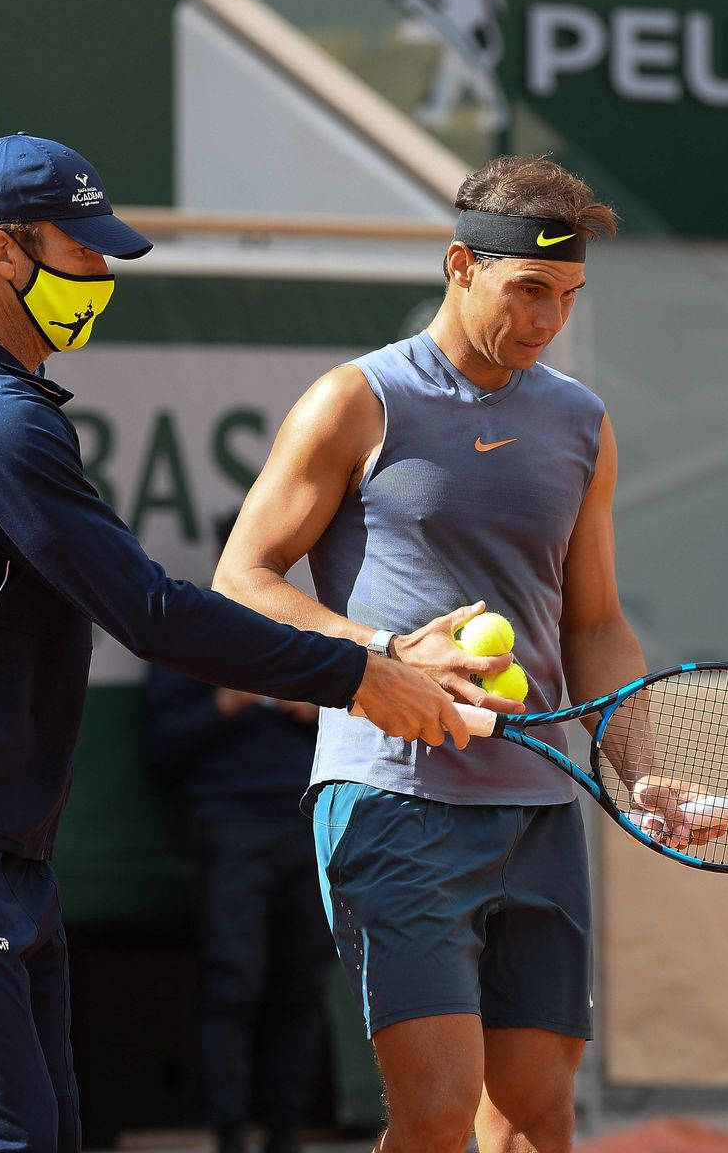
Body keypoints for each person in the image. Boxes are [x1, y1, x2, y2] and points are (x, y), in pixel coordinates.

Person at [0, 133, 467, 1153]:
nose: (101, 276)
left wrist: (370, 658)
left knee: (41, 1139)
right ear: (3, 253)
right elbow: (148, 610)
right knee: (3, 1140)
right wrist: (360, 675)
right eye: (83, 251)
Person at [215, 155, 676, 1153]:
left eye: (568, 296)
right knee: (434, 1112)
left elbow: (594, 622)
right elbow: (243, 578)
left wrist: (637, 764)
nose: (549, 319)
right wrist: (381, 653)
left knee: (534, 1117)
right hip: (392, 799)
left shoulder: (581, 421)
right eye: (529, 290)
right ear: (461, 265)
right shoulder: (356, 400)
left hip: (540, 807)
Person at [141, 537, 336, 1153]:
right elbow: (162, 749)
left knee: (300, 987)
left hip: (307, 827)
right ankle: (229, 1137)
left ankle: (285, 1138)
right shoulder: (186, 638)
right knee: (234, 984)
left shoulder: (313, 639)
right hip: (230, 832)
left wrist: (310, 709)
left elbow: (373, 728)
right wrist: (227, 703)